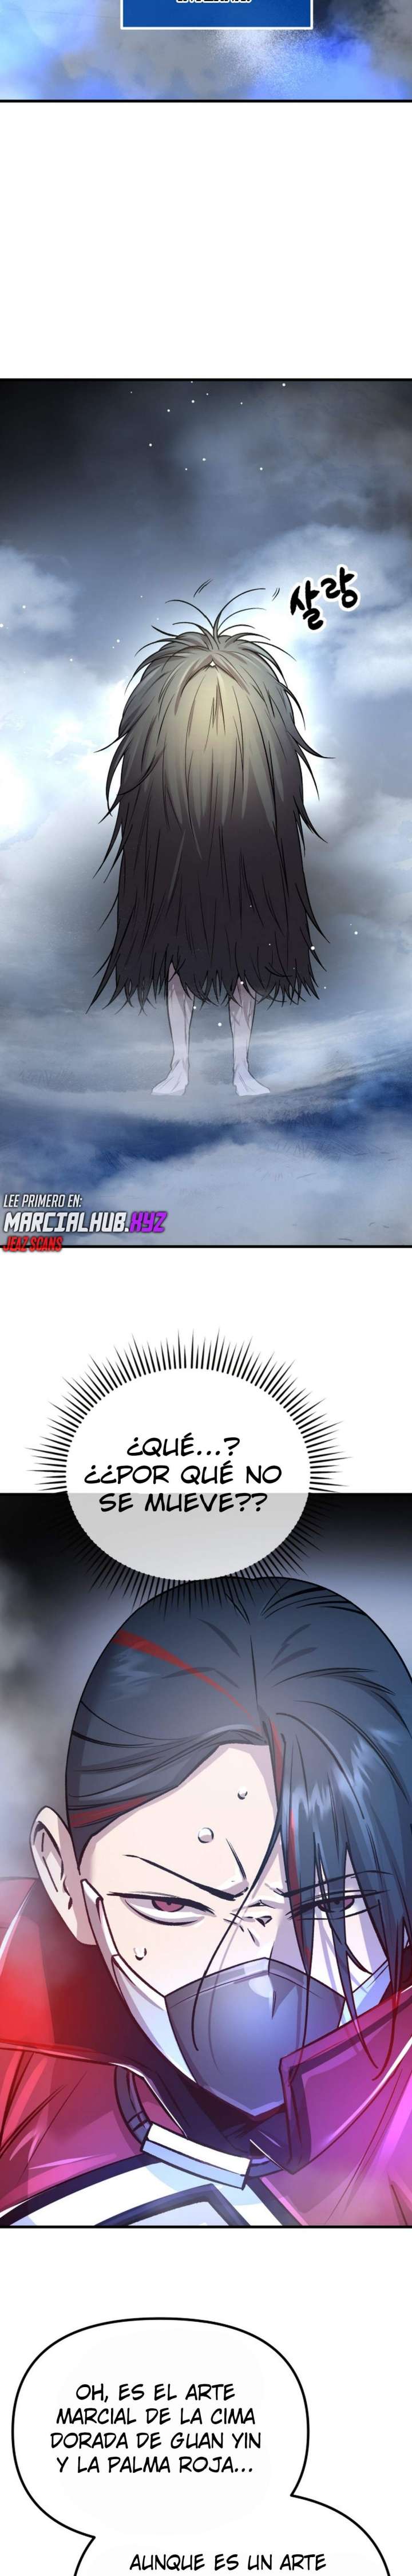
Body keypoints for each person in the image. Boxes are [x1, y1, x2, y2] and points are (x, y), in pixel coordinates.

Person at [1, 1578, 412, 2225]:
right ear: (65, 1879)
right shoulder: (19, 2061)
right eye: (173, 1906)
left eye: (331, 1907)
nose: (261, 1984)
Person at [94, 600, 322, 1099]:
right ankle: (181, 1066)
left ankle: (241, 1069)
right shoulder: (164, 766)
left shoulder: (260, 762)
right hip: (182, 855)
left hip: (245, 855)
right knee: (179, 965)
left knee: (247, 966)